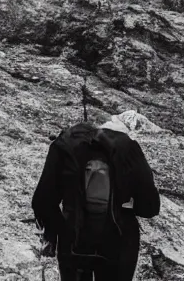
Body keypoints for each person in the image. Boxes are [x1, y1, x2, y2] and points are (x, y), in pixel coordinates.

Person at [32, 119, 160, 280]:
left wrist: (59, 231)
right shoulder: (128, 148)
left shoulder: (64, 145)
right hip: (119, 244)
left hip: (74, 243)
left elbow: (41, 202)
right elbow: (150, 207)